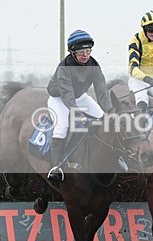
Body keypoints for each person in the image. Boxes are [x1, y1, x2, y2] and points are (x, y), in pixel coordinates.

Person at [46, 30, 113, 181]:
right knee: (62, 127)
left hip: (79, 96)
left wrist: (109, 110)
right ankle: (56, 167)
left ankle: (112, 157)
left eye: (88, 51)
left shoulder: (93, 64)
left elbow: (101, 89)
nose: (85, 55)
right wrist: (79, 114)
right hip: (59, 98)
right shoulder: (65, 67)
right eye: (81, 52)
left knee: (104, 119)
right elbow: (67, 95)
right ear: (72, 53)